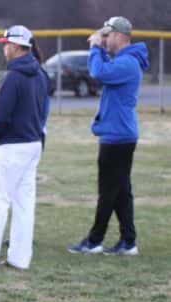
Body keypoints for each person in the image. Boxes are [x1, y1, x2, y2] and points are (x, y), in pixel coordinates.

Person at [69, 17, 149, 256]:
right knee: (121, 191)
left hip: (118, 138)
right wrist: (101, 50)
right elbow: (104, 69)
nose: (104, 39)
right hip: (117, 135)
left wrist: (94, 47)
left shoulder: (128, 63)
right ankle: (128, 241)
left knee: (108, 192)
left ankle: (94, 241)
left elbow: (99, 73)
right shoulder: (123, 61)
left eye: (107, 35)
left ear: (119, 36)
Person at [0, 25, 49, 271]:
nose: (3, 48)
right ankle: (19, 257)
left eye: (6, 44)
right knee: (24, 204)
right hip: (33, 143)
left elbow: (1, 118)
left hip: (12, 145)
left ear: (16, 47)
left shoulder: (12, 76)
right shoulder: (39, 75)